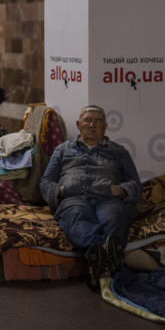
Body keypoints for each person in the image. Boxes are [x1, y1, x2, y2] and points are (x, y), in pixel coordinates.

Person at [39, 105, 141, 290]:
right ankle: (106, 258)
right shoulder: (62, 150)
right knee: (77, 216)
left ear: (105, 126)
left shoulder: (119, 152)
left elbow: (135, 185)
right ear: (79, 125)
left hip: (107, 199)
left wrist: (120, 190)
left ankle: (99, 265)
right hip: (74, 198)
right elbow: (46, 181)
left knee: (115, 216)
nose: (92, 124)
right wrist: (60, 191)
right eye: (88, 120)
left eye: (98, 120)